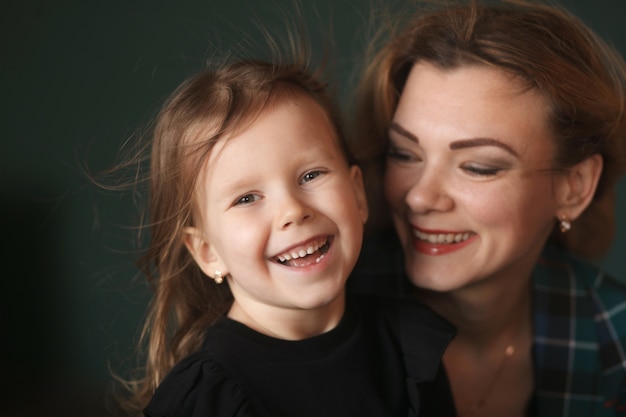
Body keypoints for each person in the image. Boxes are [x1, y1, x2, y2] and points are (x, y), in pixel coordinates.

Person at [111, 50, 455, 417]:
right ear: (208, 252)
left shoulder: (408, 346)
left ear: (357, 196)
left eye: (311, 175)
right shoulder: (210, 398)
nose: (292, 211)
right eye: (247, 198)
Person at [348, 0, 626, 416]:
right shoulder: (320, 322)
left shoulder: (616, 339)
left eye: (478, 167)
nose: (420, 197)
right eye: (404, 154)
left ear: (574, 186)